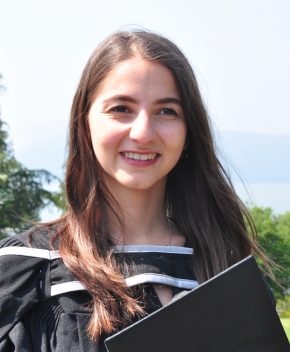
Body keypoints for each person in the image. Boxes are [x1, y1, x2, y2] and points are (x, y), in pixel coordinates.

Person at [0, 30, 270, 351]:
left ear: (188, 133)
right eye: (121, 109)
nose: (142, 132)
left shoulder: (224, 267)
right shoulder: (29, 267)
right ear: (84, 124)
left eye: (166, 111)